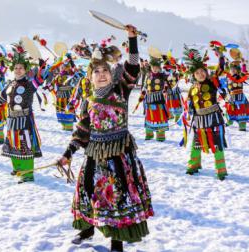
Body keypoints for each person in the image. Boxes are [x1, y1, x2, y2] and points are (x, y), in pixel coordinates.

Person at [57, 25, 153, 252]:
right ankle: (88, 228)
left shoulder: (120, 91)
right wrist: (67, 154)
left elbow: (132, 66)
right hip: (93, 154)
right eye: (96, 72)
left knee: (117, 195)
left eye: (105, 71)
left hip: (119, 155)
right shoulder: (88, 100)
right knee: (88, 191)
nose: (101, 75)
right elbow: (82, 131)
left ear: (112, 75)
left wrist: (132, 39)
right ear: (90, 77)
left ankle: (116, 241)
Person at [0, 42, 46, 183]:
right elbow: (0, 97)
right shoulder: (10, 84)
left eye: (21, 68)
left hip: (24, 119)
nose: (18, 70)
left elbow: (40, 79)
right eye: (16, 68)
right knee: (13, 144)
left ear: (25, 70)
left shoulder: (29, 85)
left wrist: (41, 67)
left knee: (25, 145)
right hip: (11, 119)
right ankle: (17, 168)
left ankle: (27, 174)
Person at [182, 43, 229, 181]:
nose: (200, 74)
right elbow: (189, 103)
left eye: (202, 71)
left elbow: (221, 68)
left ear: (206, 72)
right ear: (194, 76)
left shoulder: (213, 81)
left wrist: (220, 55)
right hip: (199, 120)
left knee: (217, 144)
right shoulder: (192, 88)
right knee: (196, 144)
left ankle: (221, 170)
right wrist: (188, 112)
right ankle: (193, 165)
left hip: (214, 119)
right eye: (197, 73)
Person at [224, 60, 249, 131]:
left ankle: (242, 126)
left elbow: (244, 72)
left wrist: (243, 64)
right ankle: (229, 121)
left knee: (242, 111)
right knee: (229, 110)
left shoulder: (240, 76)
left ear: (237, 70)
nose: (233, 71)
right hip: (231, 97)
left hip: (240, 98)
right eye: (231, 69)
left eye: (235, 69)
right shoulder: (227, 78)